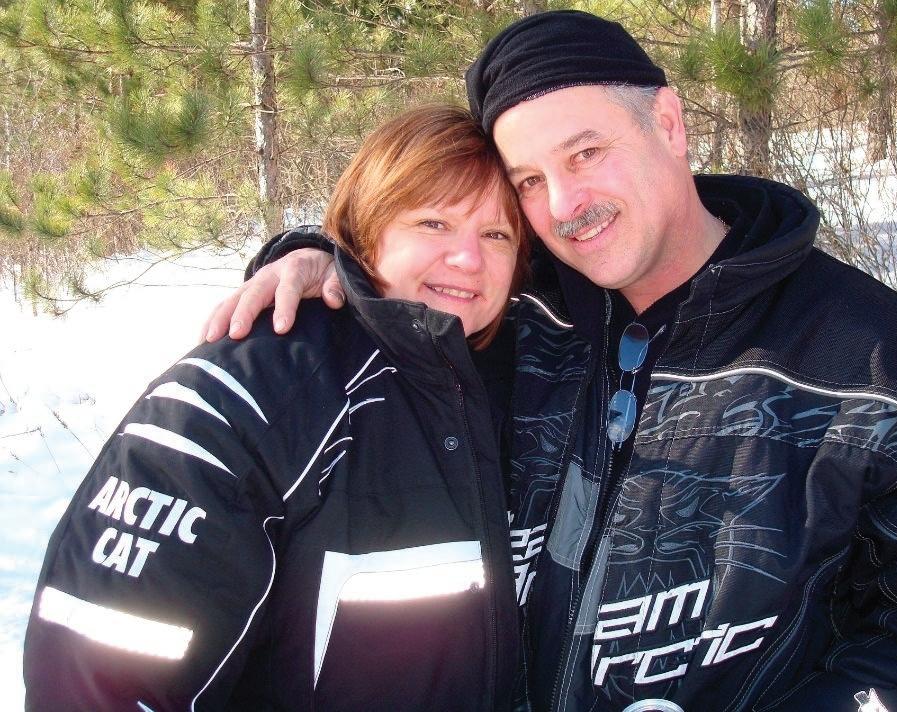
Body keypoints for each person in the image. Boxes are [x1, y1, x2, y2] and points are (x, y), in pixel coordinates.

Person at [202, 11, 897, 712]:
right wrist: (321, 260)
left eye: (585, 153)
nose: (564, 205)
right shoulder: (515, 304)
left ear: (667, 124)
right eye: (529, 181)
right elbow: (406, 271)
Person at [23, 104, 528, 711]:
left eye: (496, 235)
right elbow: (95, 680)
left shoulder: (531, 381)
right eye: (433, 223)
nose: (469, 259)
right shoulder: (249, 396)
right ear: (366, 230)